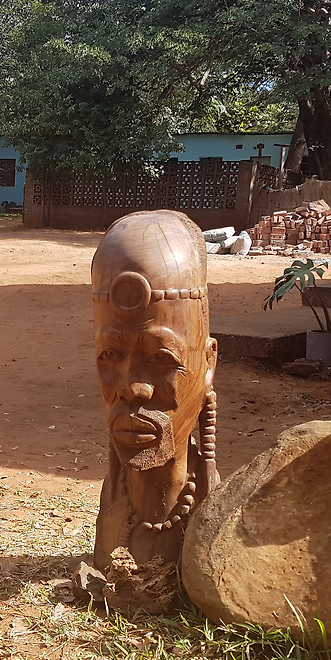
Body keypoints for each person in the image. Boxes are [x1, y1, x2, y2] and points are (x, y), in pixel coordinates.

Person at [90, 210, 220, 573]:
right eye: (110, 355)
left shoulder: (222, 520)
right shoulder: (113, 507)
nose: (132, 388)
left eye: (160, 359)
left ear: (208, 364)